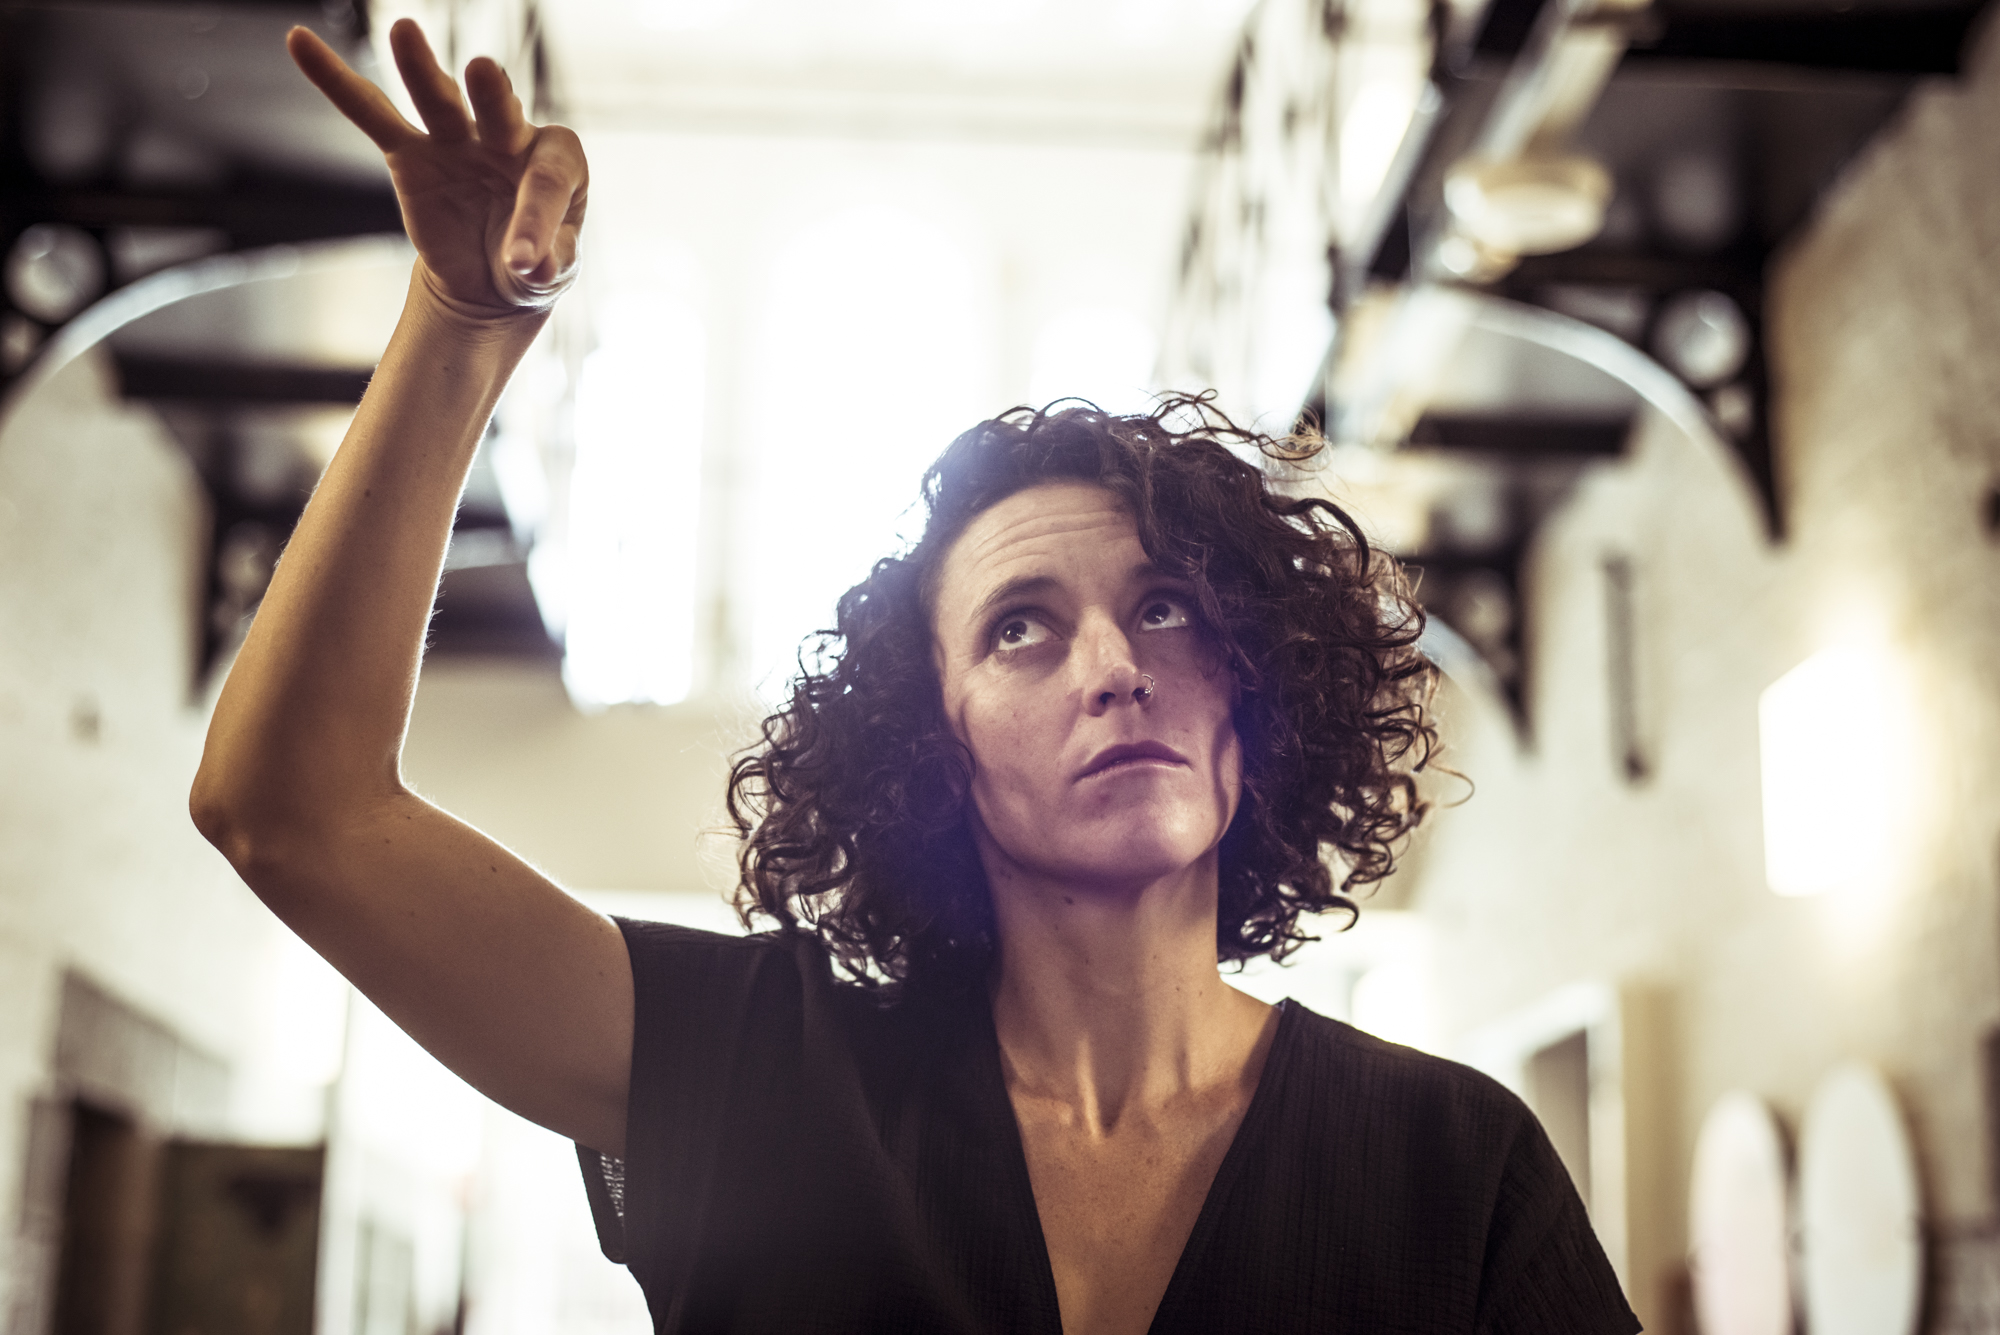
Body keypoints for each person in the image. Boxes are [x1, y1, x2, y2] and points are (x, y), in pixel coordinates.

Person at [191, 20, 1641, 1335]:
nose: (1115, 666)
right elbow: (292, 810)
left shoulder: (1455, 1164)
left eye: (1171, 610)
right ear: (931, 742)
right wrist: (460, 326)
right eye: (1021, 624)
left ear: (1258, 691)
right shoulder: (750, 1071)